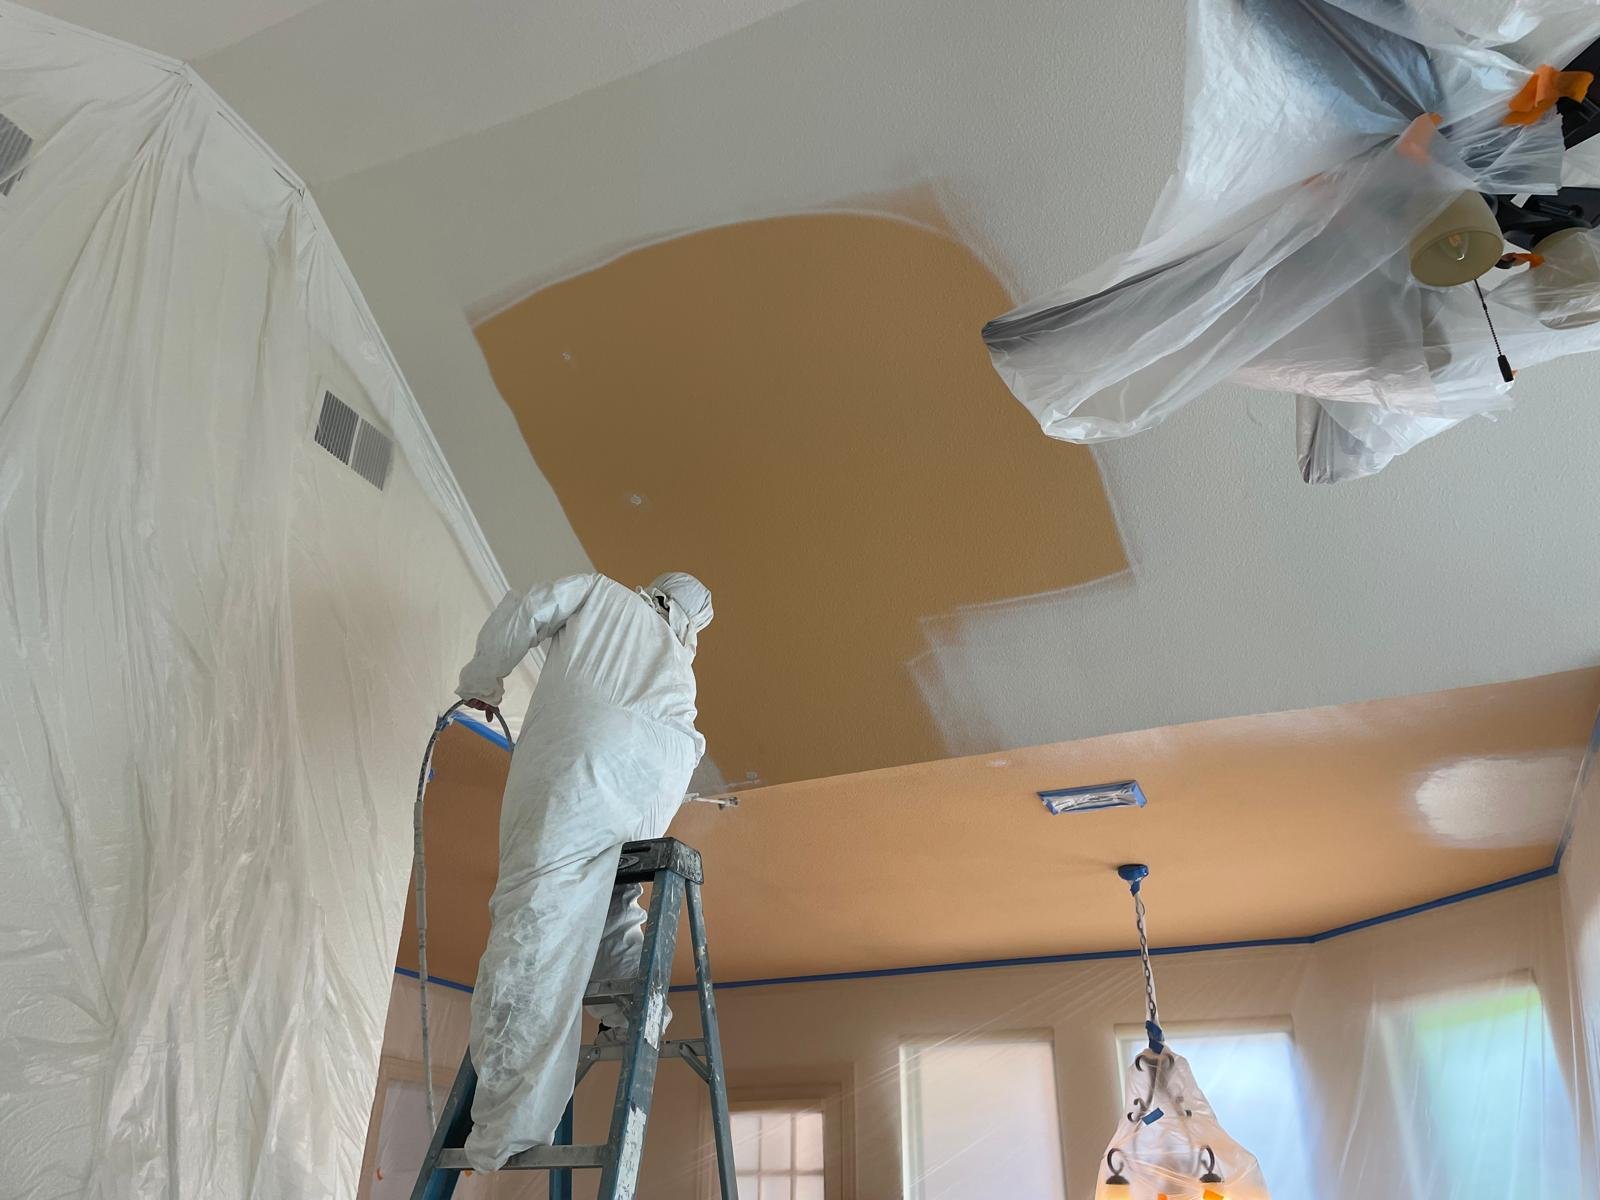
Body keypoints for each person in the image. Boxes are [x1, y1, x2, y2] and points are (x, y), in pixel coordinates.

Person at [453, 570, 713, 1171]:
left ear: (656, 589)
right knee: (608, 904)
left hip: (584, 761)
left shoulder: (601, 593)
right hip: (658, 777)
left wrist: (482, 681)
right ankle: (635, 1013)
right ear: (690, 622)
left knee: (537, 919)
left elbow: (527, 605)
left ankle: (504, 1127)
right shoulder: (680, 666)